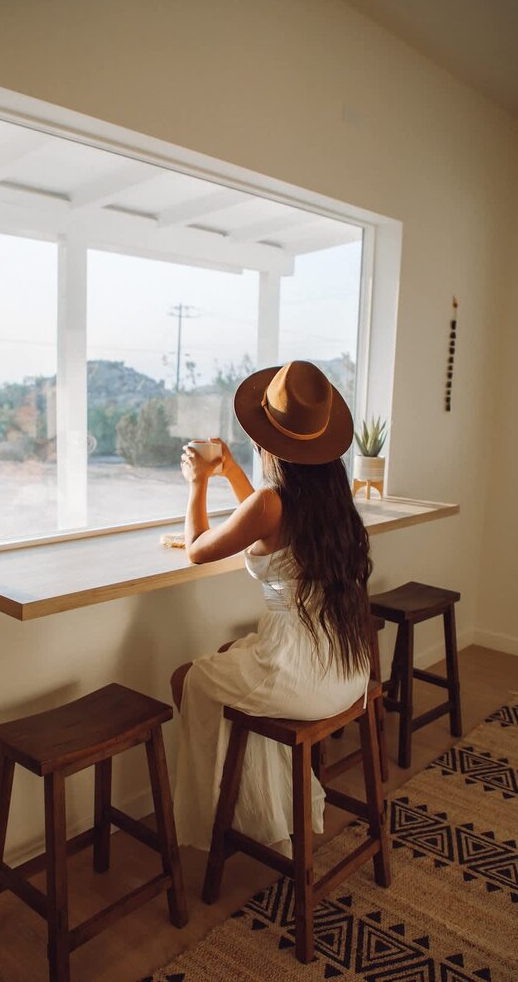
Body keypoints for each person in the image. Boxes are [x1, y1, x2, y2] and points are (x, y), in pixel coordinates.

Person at [170, 360, 373, 854]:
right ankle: (269, 809)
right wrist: (233, 472)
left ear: (267, 444)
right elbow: (264, 520)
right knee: (231, 660)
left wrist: (197, 481)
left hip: (299, 676)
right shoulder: (331, 500)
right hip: (346, 671)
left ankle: (225, 816)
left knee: (188, 679)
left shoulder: (270, 504)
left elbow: (198, 547)